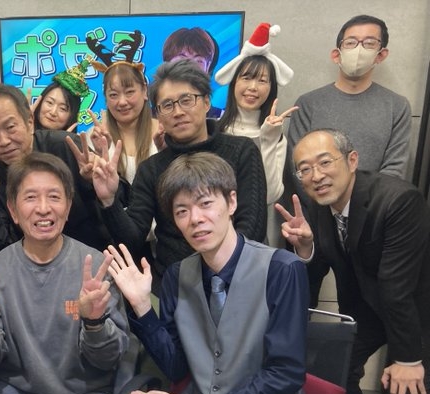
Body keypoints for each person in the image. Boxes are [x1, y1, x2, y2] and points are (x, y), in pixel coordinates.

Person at [106, 152, 310, 394]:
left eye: (205, 204)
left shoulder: (281, 270)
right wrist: (141, 307)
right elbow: (176, 366)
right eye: (182, 211)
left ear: (232, 202)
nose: (196, 219)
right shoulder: (177, 276)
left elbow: (285, 374)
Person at [277, 128, 430, 394]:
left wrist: (407, 359)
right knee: (329, 368)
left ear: (352, 160)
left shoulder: (399, 200)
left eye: (325, 162)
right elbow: (316, 271)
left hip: (417, 311)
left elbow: (396, 286)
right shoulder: (319, 205)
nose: (316, 176)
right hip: (369, 307)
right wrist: (305, 249)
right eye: (305, 169)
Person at [0, 152, 129, 394]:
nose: (43, 208)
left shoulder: (96, 268)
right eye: (30, 197)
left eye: (54, 197)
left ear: (68, 206)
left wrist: (94, 323)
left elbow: (110, 359)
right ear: (13, 210)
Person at [91, 59, 267, 293]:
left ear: (206, 101)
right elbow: (133, 239)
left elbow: (252, 227)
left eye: (187, 100)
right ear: (158, 115)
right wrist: (108, 200)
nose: (178, 112)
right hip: (175, 288)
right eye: (167, 105)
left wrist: (218, 276)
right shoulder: (152, 168)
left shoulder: (242, 151)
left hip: (238, 281)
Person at [0, 83, 124, 258]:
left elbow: (123, 202)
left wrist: (93, 181)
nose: (3, 141)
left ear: (29, 122)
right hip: (29, 269)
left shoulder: (66, 146)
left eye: (10, 127)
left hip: (92, 259)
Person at [287, 15, 411, 178]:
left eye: (369, 43)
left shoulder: (397, 106)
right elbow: (297, 166)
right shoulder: (307, 104)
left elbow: (395, 169)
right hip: (315, 194)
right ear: (336, 54)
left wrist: (363, 195)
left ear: (381, 55)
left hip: (375, 195)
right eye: (351, 43)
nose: (358, 50)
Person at [215, 23, 297, 245]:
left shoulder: (275, 135)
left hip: (254, 241)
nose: (253, 87)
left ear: (271, 88)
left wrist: (268, 139)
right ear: (233, 82)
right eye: (246, 78)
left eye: (262, 80)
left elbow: (269, 195)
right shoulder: (215, 130)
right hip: (210, 235)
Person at [87, 61, 160, 184]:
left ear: (144, 91)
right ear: (106, 99)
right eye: (113, 95)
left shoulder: (163, 132)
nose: (122, 102)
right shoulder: (94, 137)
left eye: (129, 92)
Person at [162, 27, 223, 119]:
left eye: (198, 61)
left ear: (208, 68)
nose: (190, 67)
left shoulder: (222, 120)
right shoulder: (150, 119)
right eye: (182, 59)